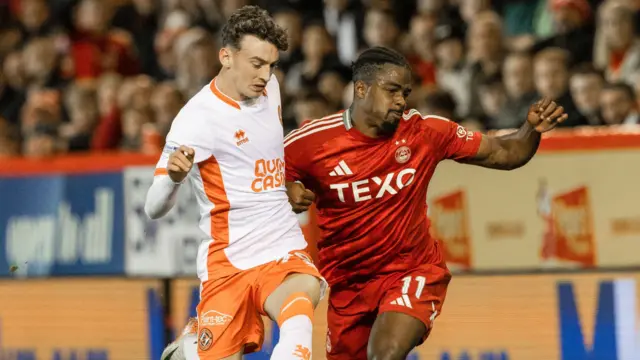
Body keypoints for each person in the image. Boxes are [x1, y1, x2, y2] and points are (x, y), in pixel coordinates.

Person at [284, 46, 567, 360]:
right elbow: (254, 177)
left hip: (412, 270)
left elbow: (505, 152)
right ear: (361, 89)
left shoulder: (425, 132)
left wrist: (531, 129)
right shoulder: (311, 142)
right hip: (348, 283)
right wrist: (285, 190)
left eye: (405, 92)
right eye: (392, 90)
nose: (401, 101)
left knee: (385, 353)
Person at [145, 6, 325, 360]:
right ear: (225, 56)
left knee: (300, 308)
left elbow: (260, 156)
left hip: (280, 247)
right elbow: (153, 207)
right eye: (256, 63)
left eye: (272, 65)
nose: (265, 75)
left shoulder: (270, 87)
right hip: (228, 262)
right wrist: (175, 178)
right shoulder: (196, 120)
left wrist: (281, 186)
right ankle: (190, 351)